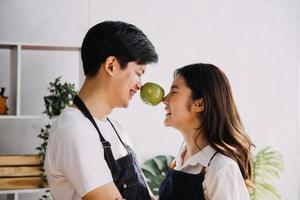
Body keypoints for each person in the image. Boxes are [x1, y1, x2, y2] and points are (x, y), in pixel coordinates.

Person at [45, 21, 158, 200]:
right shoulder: (74, 129)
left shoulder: (115, 127)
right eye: (138, 73)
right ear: (111, 65)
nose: (140, 86)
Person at [159, 63, 253, 200]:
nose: (165, 100)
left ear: (199, 104)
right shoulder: (182, 157)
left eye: (174, 92)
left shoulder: (221, 167)